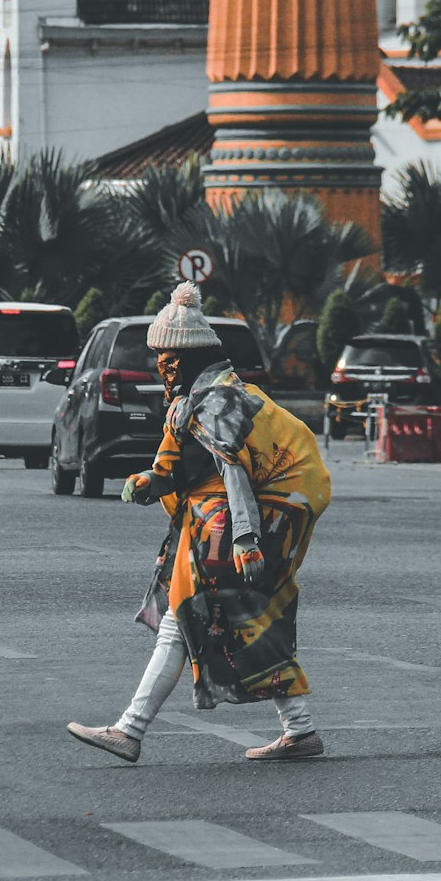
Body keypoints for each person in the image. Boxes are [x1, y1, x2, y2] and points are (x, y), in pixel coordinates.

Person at [66, 281, 331, 764]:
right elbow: (177, 467)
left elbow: (232, 468)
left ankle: (130, 729)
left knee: (191, 613)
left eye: (167, 362)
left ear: (187, 359)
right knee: (243, 618)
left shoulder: (218, 402)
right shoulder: (192, 401)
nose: (159, 370)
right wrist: (149, 482)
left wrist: (248, 539)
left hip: (255, 514)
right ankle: (299, 728)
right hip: (226, 517)